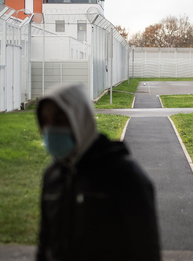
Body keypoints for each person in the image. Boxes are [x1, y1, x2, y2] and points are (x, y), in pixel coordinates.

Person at [35, 84, 161, 261]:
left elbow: (145, 251)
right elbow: (45, 244)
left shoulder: (124, 176)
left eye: (60, 118)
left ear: (80, 117)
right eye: (44, 121)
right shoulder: (52, 176)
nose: (50, 129)